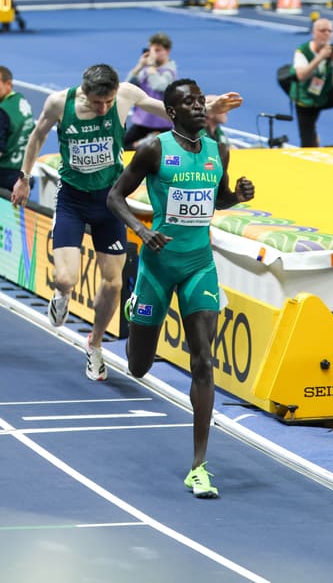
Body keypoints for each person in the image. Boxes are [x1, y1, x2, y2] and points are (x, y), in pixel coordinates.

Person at [11, 63, 241, 383]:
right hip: (73, 200)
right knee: (65, 278)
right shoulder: (59, 103)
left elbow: (167, 110)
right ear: (84, 92)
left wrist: (211, 105)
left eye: (109, 102)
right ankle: (61, 294)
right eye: (97, 103)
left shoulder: (126, 96)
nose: (104, 108)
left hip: (108, 200)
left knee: (114, 284)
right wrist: (24, 177)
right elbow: (37, 136)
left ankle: (94, 344)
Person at [106, 78, 255, 498]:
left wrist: (237, 197)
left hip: (198, 265)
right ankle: (136, 307)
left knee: (203, 360)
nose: (199, 107)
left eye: (200, 101)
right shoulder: (154, 150)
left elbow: (217, 199)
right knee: (138, 366)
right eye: (189, 103)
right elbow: (115, 197)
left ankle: (199, 466)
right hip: (157, 266)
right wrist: (141, 231)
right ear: (171, 113)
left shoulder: (218, 151)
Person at [290, 18, 333, 147]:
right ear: (313, 33)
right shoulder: (302, 51)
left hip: (323, 96)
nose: (326, 34)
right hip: (305, 101)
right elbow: (301, 76)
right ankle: (313, 137)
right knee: (308, 146)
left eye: (329, 31)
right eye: (322, 31)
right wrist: (319, 58)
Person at [122, 32, 177, 149]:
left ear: (167, 51)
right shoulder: (146, 69)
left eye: (158, 50)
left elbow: (159, 86)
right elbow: (128, 86)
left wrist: (151, 67)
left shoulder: (169, 71)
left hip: (162, 124)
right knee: (122, 147)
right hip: (143, 122)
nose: (153, 54)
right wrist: (139, 66)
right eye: (152, 50)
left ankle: (143, 143)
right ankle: (142, 143)